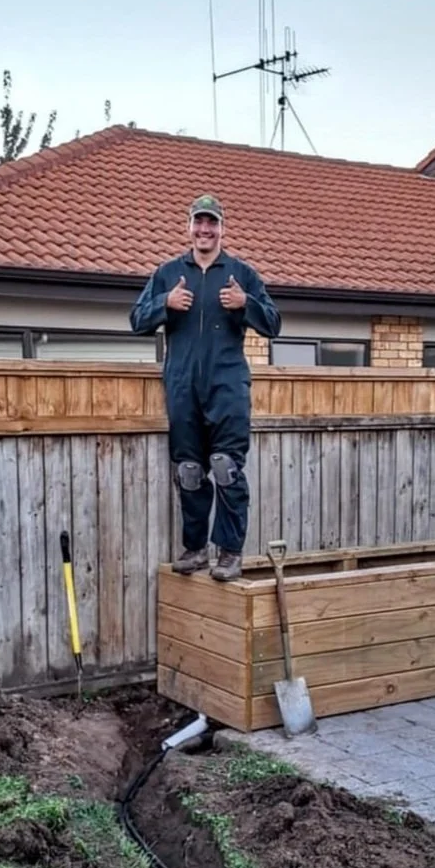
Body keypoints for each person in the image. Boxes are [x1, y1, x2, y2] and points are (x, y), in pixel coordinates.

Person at [130, 194, 281, 582]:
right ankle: (195, 549)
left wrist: (245, 303)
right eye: (199, 222)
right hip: (181, 383)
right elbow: (136, 320)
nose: (205, 230)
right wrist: (166, 302)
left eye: (211, 223)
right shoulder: (167, 274)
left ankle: (229, 552)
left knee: (226, 467)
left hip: (227, 382)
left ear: (221, 229)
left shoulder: (241, 274)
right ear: (189, 227)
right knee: (190, 471)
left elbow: (273, 323)